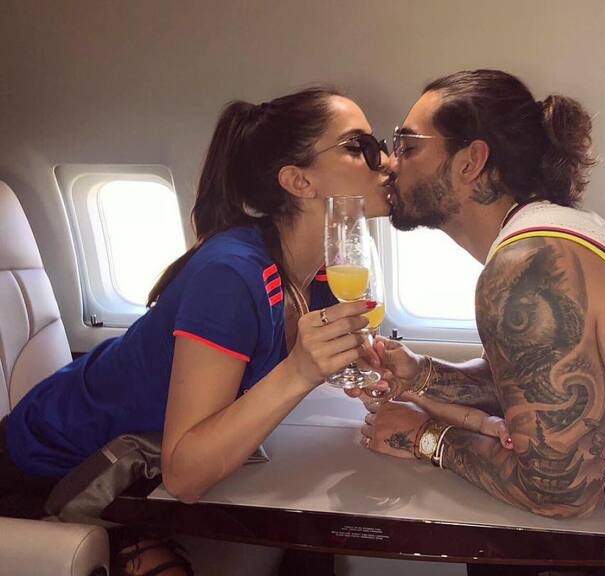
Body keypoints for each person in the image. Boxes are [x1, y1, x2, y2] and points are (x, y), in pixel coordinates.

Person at [357, 70, 605, 576]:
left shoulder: (528, 267)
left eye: (406, 144)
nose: (390, 162)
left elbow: (559, 492)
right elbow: (540, 386)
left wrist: (426, 438)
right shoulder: (560, 228)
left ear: (470, 162)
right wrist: (421, 375)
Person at [0, 87, 392, 575]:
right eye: (359, 146)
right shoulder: (230, 274)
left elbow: (315, 367)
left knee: (311, 547)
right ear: (298, 181)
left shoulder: (322, 275)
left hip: (141, 464)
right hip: (55, 469)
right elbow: (185, 475)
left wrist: (363, 368)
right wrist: (300, 370)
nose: (386, 161)